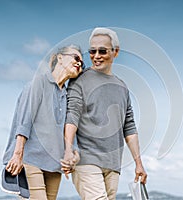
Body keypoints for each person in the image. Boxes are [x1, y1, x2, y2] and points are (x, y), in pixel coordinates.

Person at [63, 27, 147, 200]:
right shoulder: (79, 81)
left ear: (115, 52)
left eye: (102, 51)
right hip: (86, 161)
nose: (96, 55)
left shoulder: (122, 87)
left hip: (113, 164)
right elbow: (72, 115)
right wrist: (68, 149)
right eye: (92, 51)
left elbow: (129, 126)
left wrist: (139, 163)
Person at [2, 45, 84, 200]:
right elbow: (24, 121)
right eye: (76, 57)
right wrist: (18, 155)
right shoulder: (39, 82)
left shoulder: (68, 96)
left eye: (82, 63)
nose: (79, 63)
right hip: (30, 159)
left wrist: (73, 159)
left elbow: (72, 139)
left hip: (54, 166)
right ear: (60, 58)